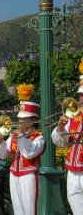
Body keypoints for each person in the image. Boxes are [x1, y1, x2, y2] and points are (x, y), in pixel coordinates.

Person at [0, 84, 44, 215]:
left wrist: (21, 136)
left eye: (24, 119)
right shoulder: (14, 135)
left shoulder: (39, 137)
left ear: (33, 119)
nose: (20, 121)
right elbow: (3, 154)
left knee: (30, 210)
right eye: (19, 118)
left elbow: (29, 153)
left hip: (29, 176)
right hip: (14, 174)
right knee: (18, 210)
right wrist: (0, 143)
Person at [52, 70, 83, 214]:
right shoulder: (74, 117)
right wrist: (60, 127)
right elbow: (60, 142)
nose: (81, 98)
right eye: (80, 95)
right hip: (72, 171)